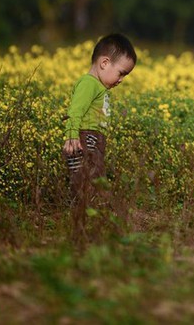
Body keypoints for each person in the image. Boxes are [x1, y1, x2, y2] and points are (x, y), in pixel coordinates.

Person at [62, 33, 136, 240]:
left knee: (91, 178)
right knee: (88, 179)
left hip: (92, 138)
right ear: (104, 63)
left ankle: (88, 220)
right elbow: (75, 111)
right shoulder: (88, 83)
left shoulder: (98, 87)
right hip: (85, 138)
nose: (121, 80)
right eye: (121, 73)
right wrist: (71, 137)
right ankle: (88, 221)